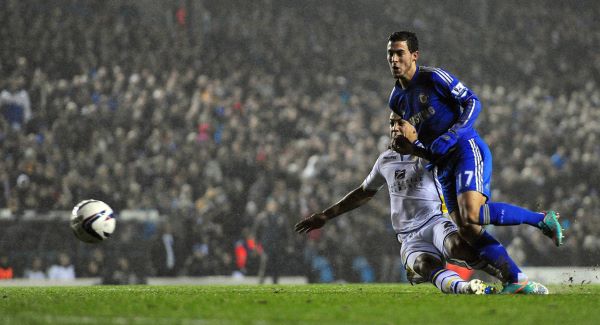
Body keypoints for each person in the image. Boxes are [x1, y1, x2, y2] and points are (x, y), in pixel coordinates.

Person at [385, 31, 563, 293]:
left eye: (399, 53)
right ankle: (518, 280)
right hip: (441, 165)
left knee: (472, 214)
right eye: (390, 53)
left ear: (414, 55)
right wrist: (413, 149)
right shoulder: (396, 99)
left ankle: (540, 219)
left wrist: (453, 133)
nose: (394, 59)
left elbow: (472, 101)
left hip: (466, 149)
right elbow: (427, 142)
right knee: (468, 229)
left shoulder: (433, 77)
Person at [296, 112, 547, 294]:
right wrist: (326, 216)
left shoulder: (431, 152)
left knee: (458, 246)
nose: (394, 128)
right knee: (425, 265)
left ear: (414, 127)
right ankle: (469, 289)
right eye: (391, 124)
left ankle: (514, 280)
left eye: (400, 123)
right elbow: (363, 192)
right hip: (407, 235)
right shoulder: (385, 160)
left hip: (435, 221)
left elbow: (445, 160)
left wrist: (415, 150)